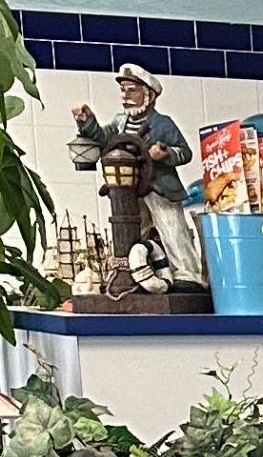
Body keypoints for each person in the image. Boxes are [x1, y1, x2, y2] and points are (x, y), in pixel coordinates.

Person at [67, 61, 204, 301]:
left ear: (148, 95)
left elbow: (185, 152)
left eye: (132, 90)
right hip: (129, 189)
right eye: (123, 90)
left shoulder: (162, 123)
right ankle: (137, 273)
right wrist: (86, 120)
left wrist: (165, 153)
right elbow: (103, 137)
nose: (126, 96)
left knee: (171, 228)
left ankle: (188, 275)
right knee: (133, 233)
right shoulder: (121, 122)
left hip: (159, 187)